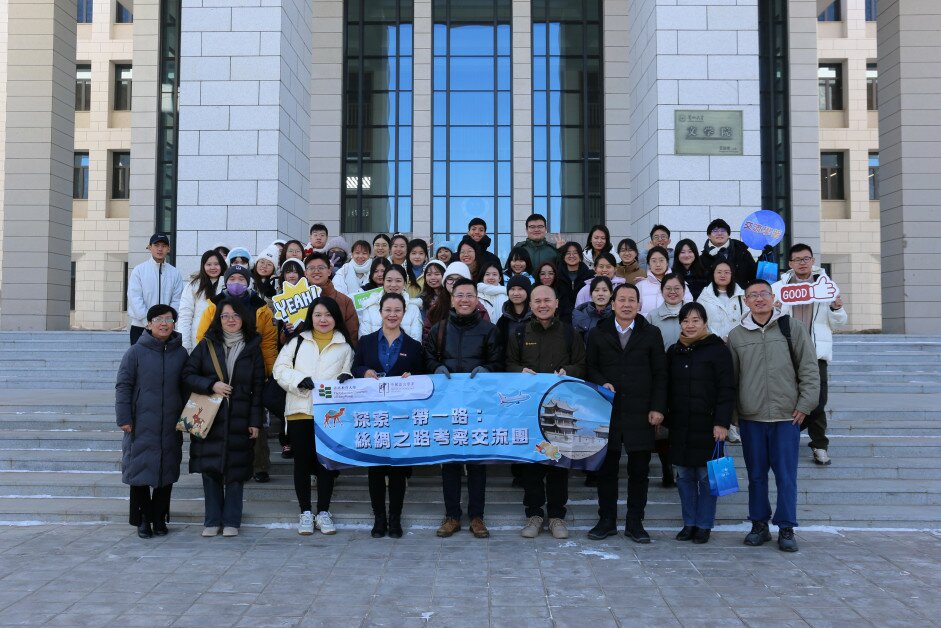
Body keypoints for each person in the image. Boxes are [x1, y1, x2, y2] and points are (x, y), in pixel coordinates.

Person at [728, 280, 820, 552]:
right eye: (753, 295)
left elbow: (810, 370)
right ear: (745, 301)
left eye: (763, 294)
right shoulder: (737, 335)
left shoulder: (792, 328)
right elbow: (732, 379)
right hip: (751, 417)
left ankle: (786, 527)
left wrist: (805, 405)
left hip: (786, 417)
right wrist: (733, 416)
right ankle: (759, 524)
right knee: (756, 475)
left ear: (772, 297)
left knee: (786, 475)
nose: (758, 299)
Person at [586, 283, 667, 543]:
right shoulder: (598, 333)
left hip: (640, 412)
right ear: (612, 303)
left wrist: (657, 407)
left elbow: (660, 374)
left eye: (632, 300)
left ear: (639, 305)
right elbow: (590, 367)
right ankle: (606, 520)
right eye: (621, 300)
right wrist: (601, 382)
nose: (627, 304)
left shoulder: (651, 333)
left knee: (639, 471)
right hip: (606, 411)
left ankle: (635, 523)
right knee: (607, 470)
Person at [424, 278, 504, 539]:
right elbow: (427, 357)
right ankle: (451, 516)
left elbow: (498, 362)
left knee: (477, 462)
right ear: (452, 298)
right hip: (447, 406)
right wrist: (436, 368)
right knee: (450, 462)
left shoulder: (488, 330)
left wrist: (488, 370)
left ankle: (477, 517)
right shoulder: (439, 329)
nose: (465, 300)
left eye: (470, 295)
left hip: (478, 406)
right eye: (460, 295)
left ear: (477, 298)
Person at [506, 285, 586, 540]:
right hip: (527, 412)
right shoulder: (519, 332)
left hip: (559, 412)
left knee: (558, 464)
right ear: (530, 305)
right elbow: (507, 363)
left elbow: (582, 364)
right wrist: (519, 371)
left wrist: (568, 372)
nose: (542, 305)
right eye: (537, 301)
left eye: (547, 300)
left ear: (556, 303)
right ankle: (534, 514)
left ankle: (557, 516)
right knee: (532, 463)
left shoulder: (569, 332)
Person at [183, 298, 265, 537]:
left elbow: (258, 387)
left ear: (244, 319)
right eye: (225, 316)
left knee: (237, 472)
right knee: (210, 470)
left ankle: (231, 521)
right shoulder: (207, 344)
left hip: (240, 417)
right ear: (218, 319)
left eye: (235, 316)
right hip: (209, 417)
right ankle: (211, 521)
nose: (230, 320)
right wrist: (212, 385)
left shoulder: (252, 347)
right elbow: (188, 375)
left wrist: (255, 421)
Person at [273, 296, 355, 536]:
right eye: (318, 314)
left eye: (328, 315)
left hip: (328, 414)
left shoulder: (344, 345)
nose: (323, 319)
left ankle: (324, 512)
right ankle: (305, 512)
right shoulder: (297, 341)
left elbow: (347, 371)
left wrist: (347, 377)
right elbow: (279, 369)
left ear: (335, 318)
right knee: (302, 463)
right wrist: (299, 381)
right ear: (311, 316)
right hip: (300, 410)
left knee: (326, 463)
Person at [351, 292, 426, 538]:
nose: (392, 314)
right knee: (375, 468)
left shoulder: (414, 347)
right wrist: (365, 372)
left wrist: (411, 379)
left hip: (401, 417)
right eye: (388, 310)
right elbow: (355, 367)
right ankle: (379, 519)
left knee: (396, 469)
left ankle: (395, 518)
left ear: (404, 313)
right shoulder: (366, 342)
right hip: (372, 415)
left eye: (397, 310)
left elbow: (423, 377)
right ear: (380, 312)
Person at [115, 304, 188, 538]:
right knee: (139, 473)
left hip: (169, 422)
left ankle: (160, 518)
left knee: (166, 472)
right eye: (158, 319)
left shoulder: (181, 352)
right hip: (141, 422)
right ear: (148, 324)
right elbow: (123, 386)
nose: (164, 323)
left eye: (169, 319)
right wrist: (124, 417)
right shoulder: (135, 352)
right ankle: (143, 519)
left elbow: (186, 386)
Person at [772, 244, 847, 466]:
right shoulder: (778, 288)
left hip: (816, 352)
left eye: (806, 259)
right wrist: (774, 308)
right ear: (790, 263)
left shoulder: (827, 287)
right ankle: (790, 438)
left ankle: (819, 445)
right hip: (788, 352)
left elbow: (839, 323)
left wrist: (836, 308)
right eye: (798, 259)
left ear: (813, 261)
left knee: (818, 400)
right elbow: (770, 319)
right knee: (787, 399)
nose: (803, 263)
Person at [665, 303, 735, 544]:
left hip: (709, 426)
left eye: (695, 320)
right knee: (684, 477)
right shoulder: (674, 351)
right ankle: (689, 523)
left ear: (704, 322)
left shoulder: (718, 349)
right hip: (681, 425)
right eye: (685, 321)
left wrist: (722, 422)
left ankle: (704, 524)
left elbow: (727, 389)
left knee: (706, 478)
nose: (690, 325)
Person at [196, 265, 278, 376]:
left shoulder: (262, 309)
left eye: (241, 279)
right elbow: (202, 338)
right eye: (232, 278)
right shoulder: (213, 306)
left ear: (248, 282)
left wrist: (270, 372)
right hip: (219, 367)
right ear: (226, 282)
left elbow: (268, 344)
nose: (236, 282)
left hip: (251, 368)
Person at [127, 233, 184, 345]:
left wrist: (168, 321)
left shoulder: (175, 273)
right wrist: (147, 321)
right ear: (149, 247)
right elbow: (135, 298)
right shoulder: (139, 271)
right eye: (156, 245)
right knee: (141, 361)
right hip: (141, 327)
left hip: (165, 328)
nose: (160, 249)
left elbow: (177, 300)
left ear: (168, 248)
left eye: (163, 246)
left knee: (165, 361)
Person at [304, 252, 360, 343]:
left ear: (329, 271)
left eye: (321, 268)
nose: (316, 271)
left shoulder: (345, 301)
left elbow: (352, 334)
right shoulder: (296, 300)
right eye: (311, 268)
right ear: (305, 273)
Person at [356, 264, 423, 339]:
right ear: (383, 282)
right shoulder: (370, 307)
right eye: (389, 280)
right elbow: (364, 341)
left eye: (398, 281)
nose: (393, 285)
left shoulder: (413, 309)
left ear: (405, 283)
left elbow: (416, 342)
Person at [179, 250, 227, 352]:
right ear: (203, 266)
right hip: (197, 339)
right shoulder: (193, 285)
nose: (213, 267)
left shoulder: (228, 285)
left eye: (216, 264)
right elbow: (185, 315)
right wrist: (185, 344)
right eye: (208, 264)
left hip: (223, 339)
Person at [697, 260, 749, 341]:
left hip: (738, 342)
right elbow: (700, 321)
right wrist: (716, 339)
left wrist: (729, 337)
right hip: (711, 343)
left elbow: (747, 318)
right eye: (719, 272)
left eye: (727, 272)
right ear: (713, 274)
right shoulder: (704, 296)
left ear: (732, 275)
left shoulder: (742, 295)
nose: (722, 275)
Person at [700, 218, 757, 289]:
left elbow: (754, 276)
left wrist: (764, 258)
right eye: (715, 231)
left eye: (723, 231)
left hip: (740, 296)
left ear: (728, 234)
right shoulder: (701, 258)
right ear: (709, 235)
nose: (719, 233)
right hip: (712, 298)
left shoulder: (742, 252)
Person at [637, 247, 691, 316]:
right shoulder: (640, 286)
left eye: (661, 260)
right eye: (654, 261)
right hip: (647, 325)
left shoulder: (680, 283)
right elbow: (635, 311)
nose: (658, 264)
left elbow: (689, 307)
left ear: (667, 262)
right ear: (648, 264)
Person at [556, 242, 594, 320]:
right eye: (568, 253)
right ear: (563, 257)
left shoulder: (590, 276)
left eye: (575, 253)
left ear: (580, 256)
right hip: (561, 319)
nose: (571, 256)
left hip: (585, 318)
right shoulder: (556, 276)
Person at [495, 275, 532, 344]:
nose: (516, 293)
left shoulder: (536, 318)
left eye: (520, 289)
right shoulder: (503, 321)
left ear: (528, 292)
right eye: (512, 289)